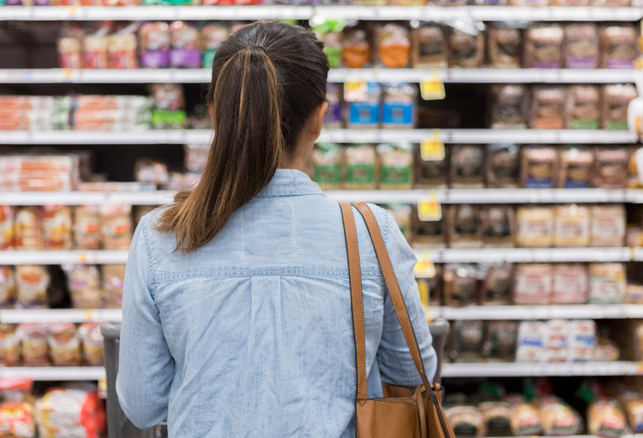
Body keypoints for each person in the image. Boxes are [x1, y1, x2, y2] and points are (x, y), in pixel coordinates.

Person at [117, 20, 436, 438]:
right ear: (319, 119)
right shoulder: (370, 232)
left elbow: (144, 405)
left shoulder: (160, 236)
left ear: (217, 115)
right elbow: (414, 375)